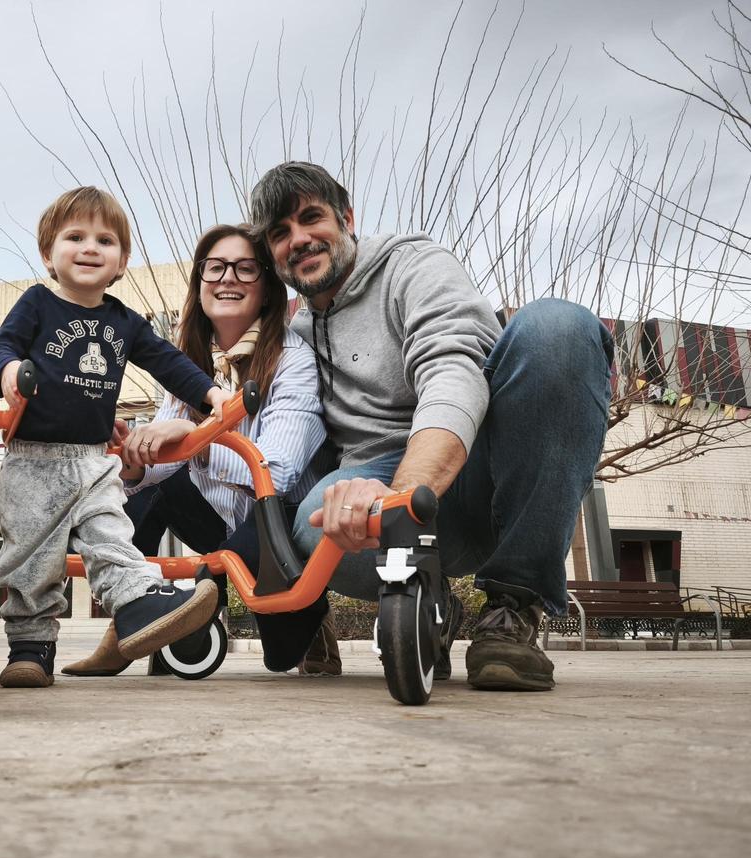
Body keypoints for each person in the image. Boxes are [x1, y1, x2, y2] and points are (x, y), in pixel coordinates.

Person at [248, 161, 614, 691]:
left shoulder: (414, 267)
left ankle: (514, 604)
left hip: (476, 473)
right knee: (312, 521)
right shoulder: (298, 333)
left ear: (348, 218)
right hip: (376, 470)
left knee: (558, 328)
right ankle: (429, 595)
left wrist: (399, 500)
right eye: (281, 233)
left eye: (311, 218)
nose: (299, 240)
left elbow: (452, 370)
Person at [0, 187, 232, 689]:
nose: (90, 247)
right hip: (34, 457)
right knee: (31, 553)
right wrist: (8, 370)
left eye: (105, 239)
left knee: (111, 537)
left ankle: (140, 603)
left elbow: (167, 361)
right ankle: (30, 649)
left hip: (96, 461)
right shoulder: (37, 304)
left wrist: (211, 395)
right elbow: (2, 346)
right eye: (75, 237)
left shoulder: (123, 320)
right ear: (48, 254)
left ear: (122, 262)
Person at [63, 223, 335, 677]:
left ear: (266, 288)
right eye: (215, 268)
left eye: (245, 269)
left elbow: (278, 471)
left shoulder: (293, 358)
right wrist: (131, 460)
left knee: (281, 655)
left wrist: (191, 438)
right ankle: (136, 615)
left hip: (277, 519)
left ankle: (312, 617)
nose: (227, 278)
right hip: (218, 517)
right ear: (200, 282)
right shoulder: (188, 360)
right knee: (140, 497)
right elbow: (164, 467)